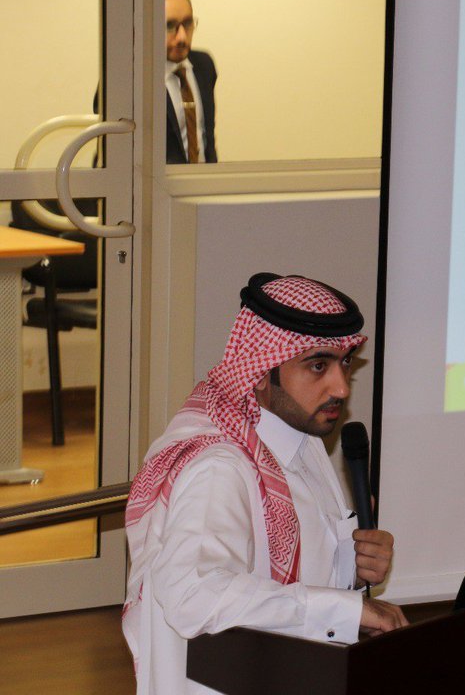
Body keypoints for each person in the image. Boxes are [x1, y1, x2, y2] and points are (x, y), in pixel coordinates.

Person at [122, 273, 406, 693]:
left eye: (344, 361)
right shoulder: (218, 469)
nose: (341, 387)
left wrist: (354, 563)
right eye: (317, 365)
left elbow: (294, 576)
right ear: (260, 373)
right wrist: (348, 611)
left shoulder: (303, 439)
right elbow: (194, 596)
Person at [165, 0, 217, 163]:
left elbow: (206, 137)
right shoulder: (130, 78)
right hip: (156, 189)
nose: (182, 37)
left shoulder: (204, 65)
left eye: (187, 24)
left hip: (202, 184)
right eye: (170, 26)